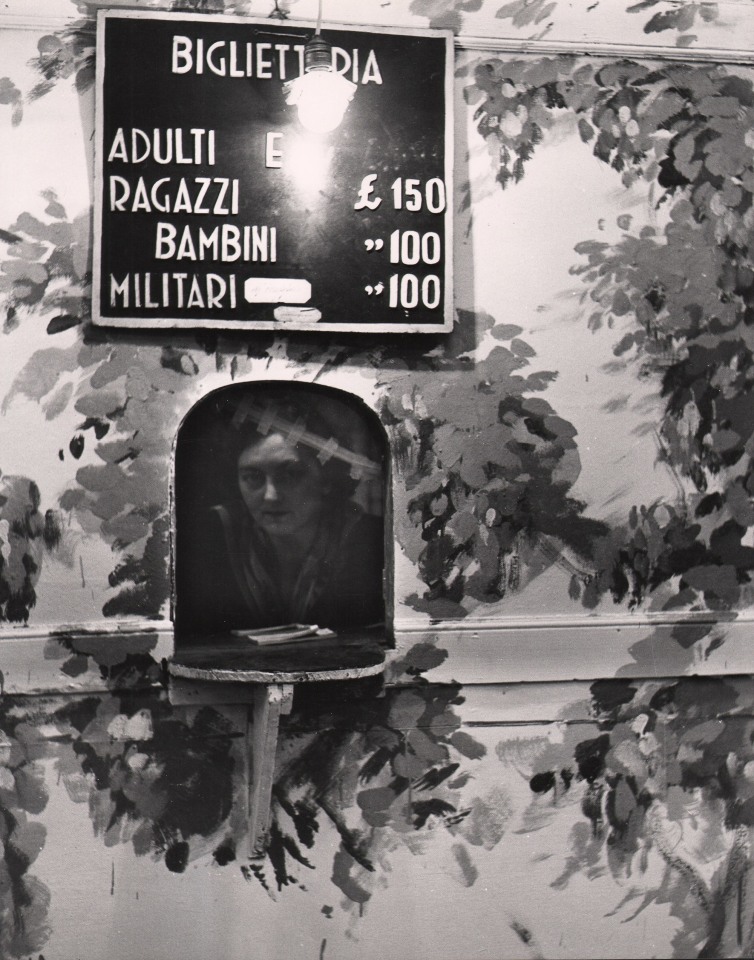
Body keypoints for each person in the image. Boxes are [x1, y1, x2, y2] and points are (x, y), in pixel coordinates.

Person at [178, 396, 385, 640]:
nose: (270, 496)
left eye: (291, 474)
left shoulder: (369, 540)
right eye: (252, 477)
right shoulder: (211, 535)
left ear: (327, 479)